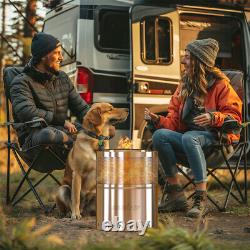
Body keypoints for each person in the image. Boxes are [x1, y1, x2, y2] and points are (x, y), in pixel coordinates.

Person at [145, 38, 242, 218]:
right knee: (160, 135)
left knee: (190, 137)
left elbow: (235, 120)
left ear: (200, 61)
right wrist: (157, 120)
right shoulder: (184, 86)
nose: (183, 61)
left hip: (216, 145)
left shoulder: (222, 86)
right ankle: (175, 194)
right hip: (188, 143)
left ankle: (200, 198)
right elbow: (174, 123)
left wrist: (213, 117)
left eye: (188, 58)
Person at [10, 32, 89, 161]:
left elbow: (81, 108)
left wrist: (98, 120)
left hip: (62, 136)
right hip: (36, 141)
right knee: (49, 134)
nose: (61, 58)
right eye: (57, 53)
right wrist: (62, 121)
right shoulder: (21, 82)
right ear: (43, 56)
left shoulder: (62, 78)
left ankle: (76, 144)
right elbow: (27, 112)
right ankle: (76, 142)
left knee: (102, 131)